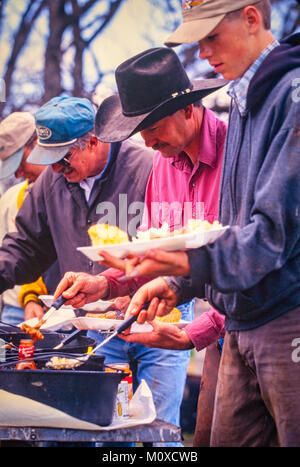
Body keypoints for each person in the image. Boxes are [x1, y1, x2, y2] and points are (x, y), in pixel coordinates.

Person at [97, 0, 300, 447]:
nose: (203, 52)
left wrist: (178, 265)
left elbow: (269, 237)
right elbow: (228, 236)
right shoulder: (246, 99)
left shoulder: (290, 96)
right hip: (240, 322)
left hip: (285, 319)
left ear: (252, 18)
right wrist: (172, 285)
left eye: (211, 36)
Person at [53, 48, 227, 446]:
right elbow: (152, 254)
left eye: (152, 126)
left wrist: (196, 332)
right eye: (139, 131)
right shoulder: (162, 165)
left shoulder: (237, 154)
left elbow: (251, 255)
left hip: (244, 324)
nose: (147, 142)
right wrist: (106, 285)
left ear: (188, 109)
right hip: (211, 332)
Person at [0, 95, 193, 448]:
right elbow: (26, 246)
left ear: (92, 140)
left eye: (61, 159)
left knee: (159, 433)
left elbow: (181, 245)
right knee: (95, 433)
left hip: (161, 316)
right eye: (49, 161)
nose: (55, 170)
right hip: (93, 327)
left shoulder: (151, 165)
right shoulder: (50, 184)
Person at [0, 112, 52, 325]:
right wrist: (31, 297)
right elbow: (24, 253)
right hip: (18, 307)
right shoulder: (14, 197)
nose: (18, 174)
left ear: (38, 144)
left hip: (67, 309)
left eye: (19, 163)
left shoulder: (76, 190)